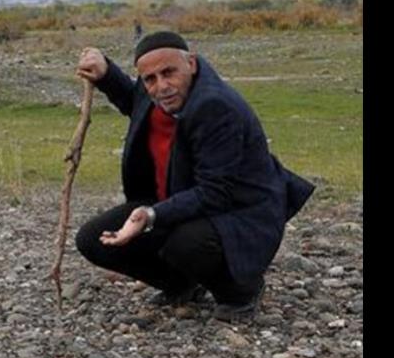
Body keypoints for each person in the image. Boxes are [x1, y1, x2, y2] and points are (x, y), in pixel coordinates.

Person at [73, 31, 315, 322]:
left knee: (186, 244)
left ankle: (241, 291)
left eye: (168, 72)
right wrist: (104, 74)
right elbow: (133, 98)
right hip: (183, 200)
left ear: (191, 64)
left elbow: (216, 193)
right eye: (150, 78)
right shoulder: (160, 94)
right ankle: (182, 284)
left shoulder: (215, 107)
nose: (161, 86)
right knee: (92, 239)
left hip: (240, 210)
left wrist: (150, 215)